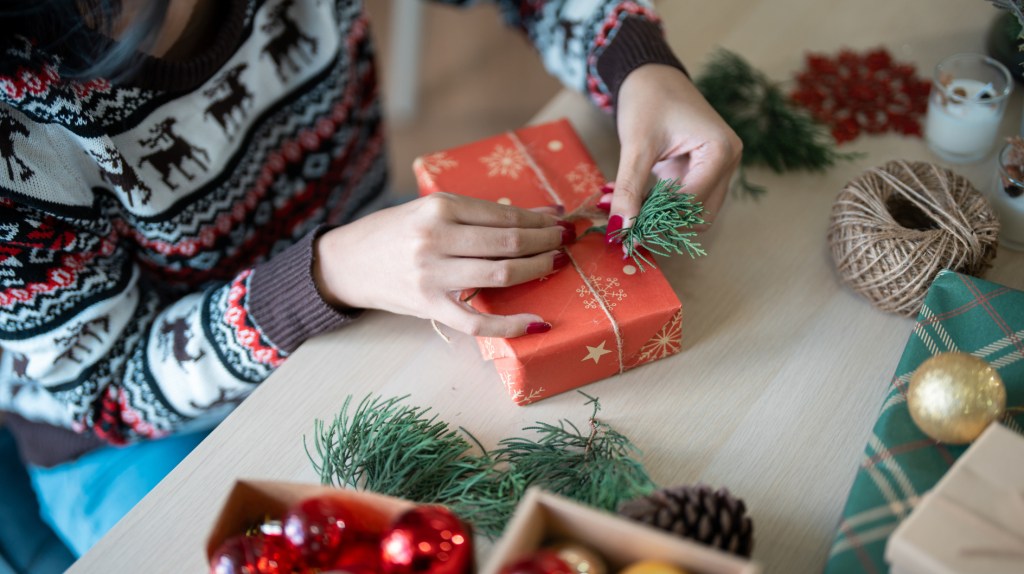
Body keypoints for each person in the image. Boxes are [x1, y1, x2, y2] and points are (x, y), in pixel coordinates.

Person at [0, 0, 741, 565]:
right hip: (143, 435)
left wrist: (637, 65)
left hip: (372, 277)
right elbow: (109, 386)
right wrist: (331, 272)